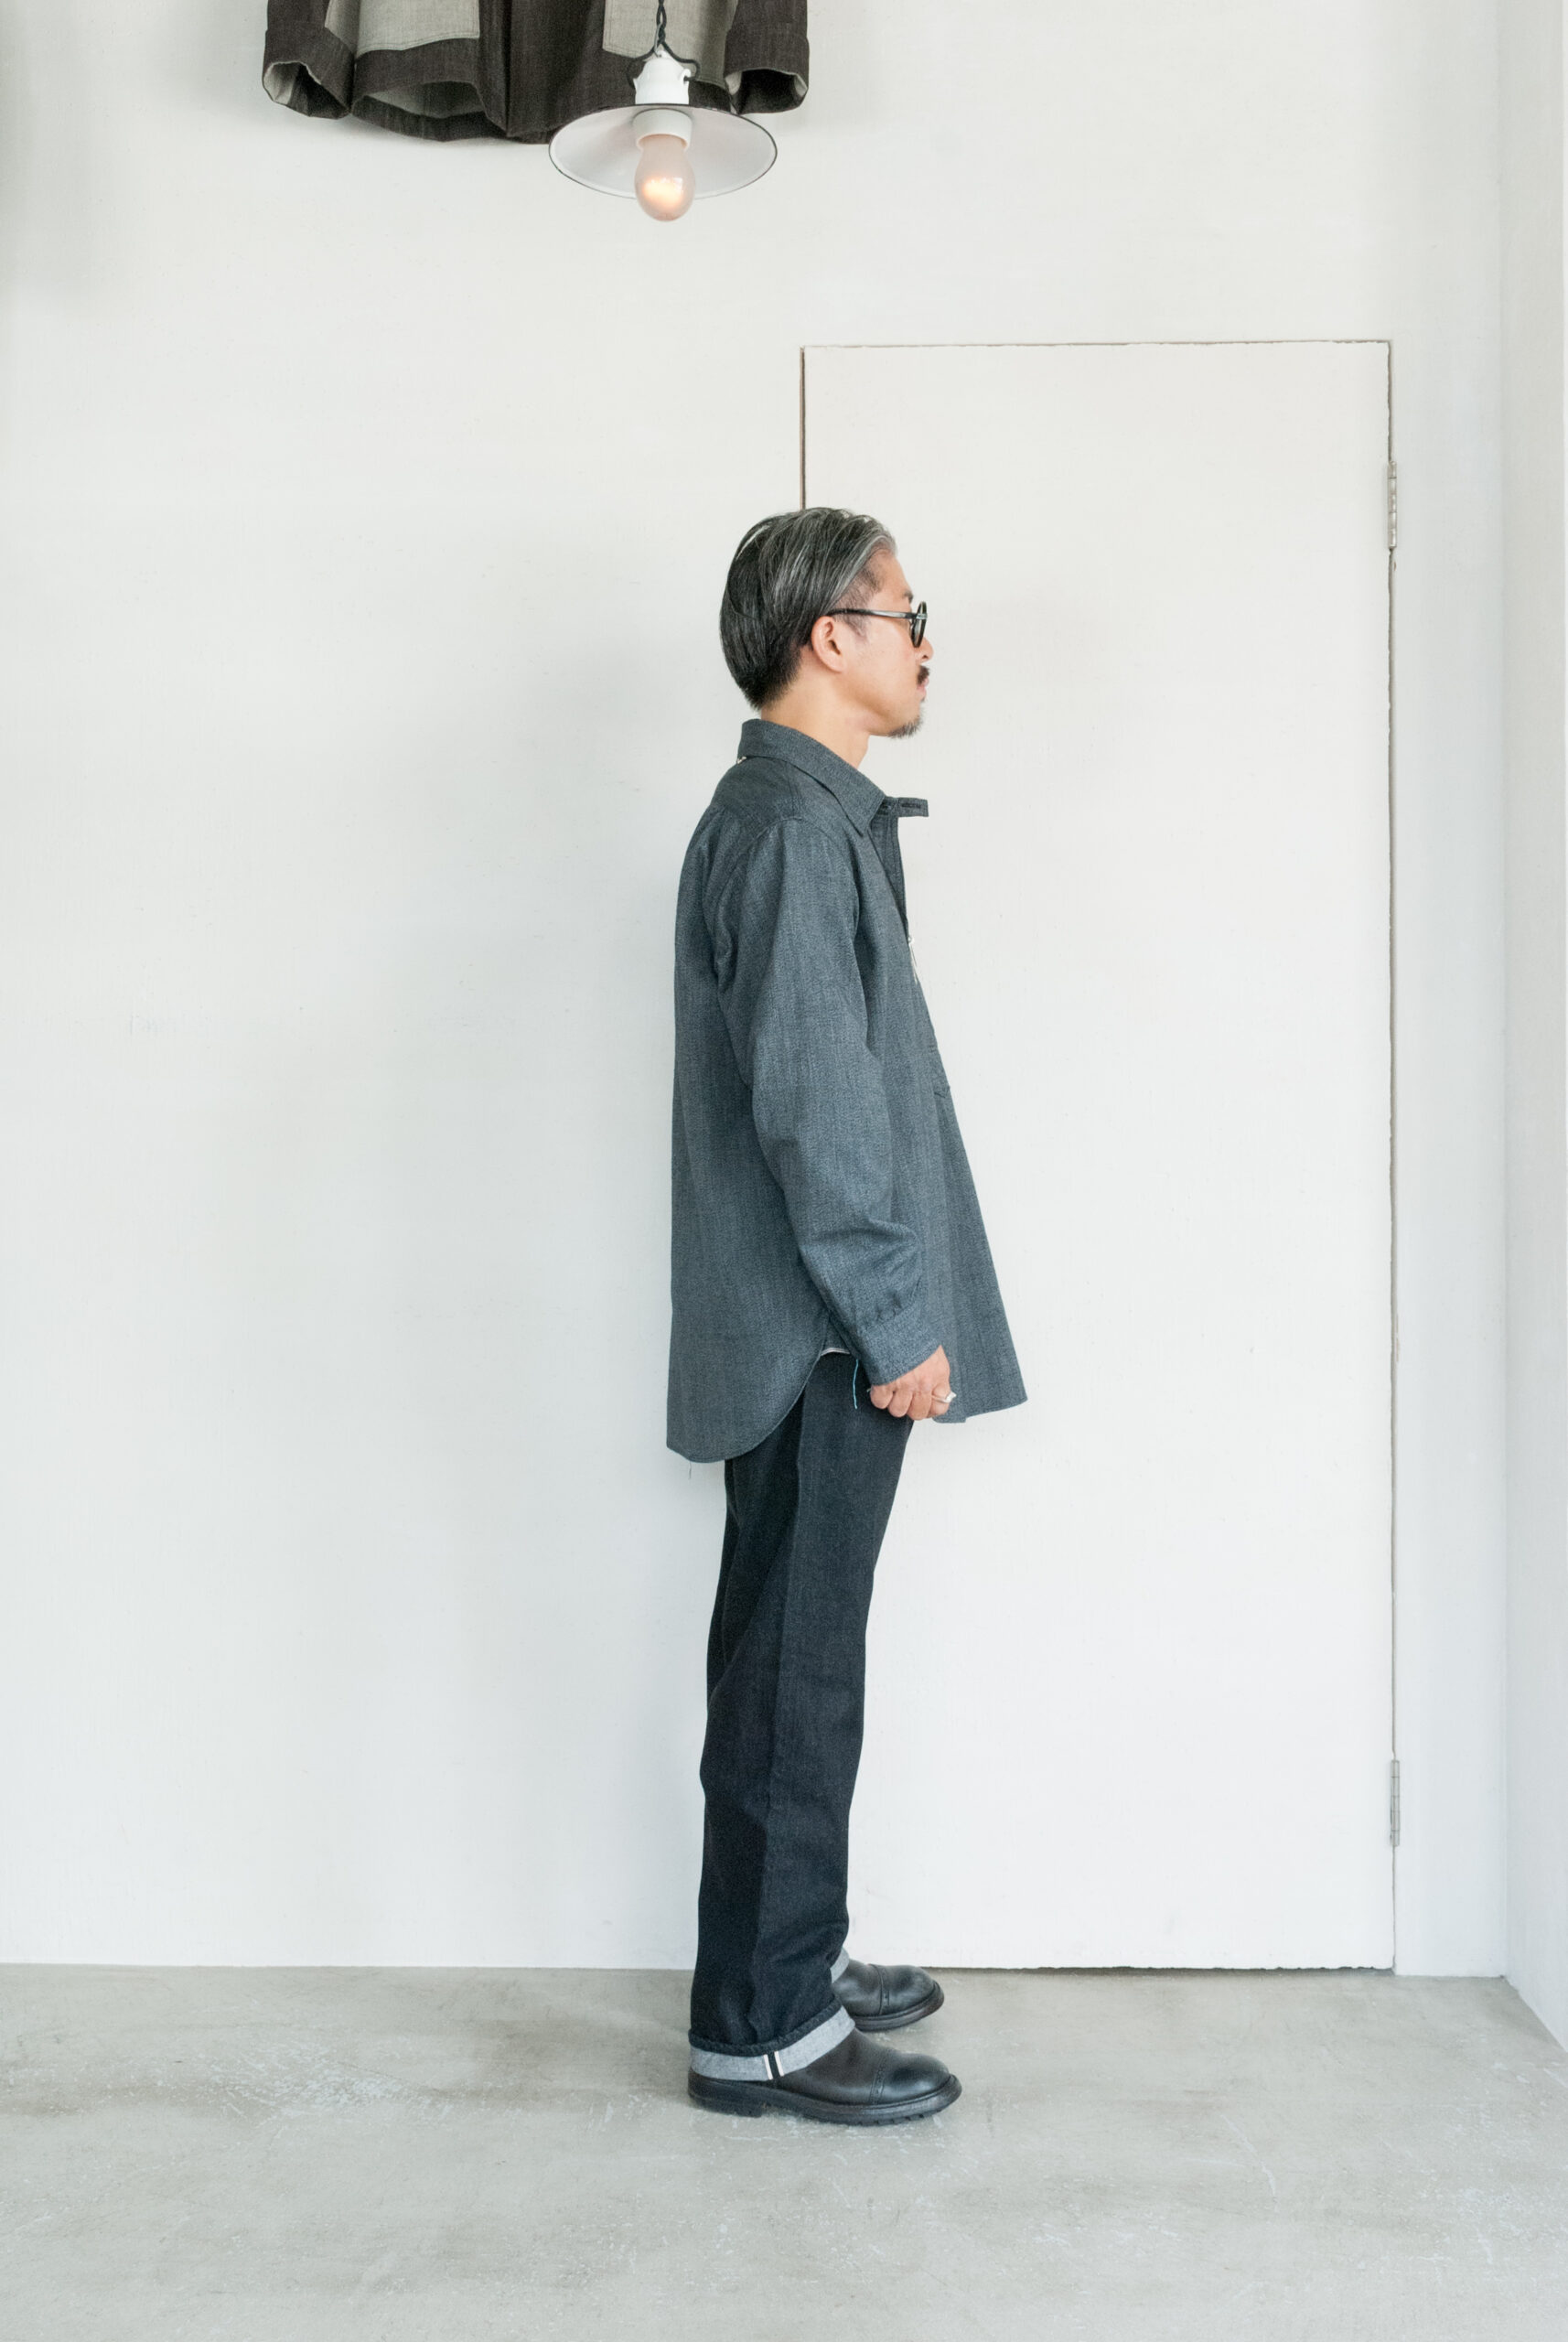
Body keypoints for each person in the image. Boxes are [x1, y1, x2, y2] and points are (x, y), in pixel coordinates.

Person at [668, 508, 1026, 2125]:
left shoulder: (804, 820)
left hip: (812, 1329)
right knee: (794, 1683)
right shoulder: (791, 834)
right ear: (832, 635)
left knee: (791, 1666)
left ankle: (785, 1958)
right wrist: (894, 1317)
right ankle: (764, 2029)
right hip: (818, 1338)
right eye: (904, 612)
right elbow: (817, 1113)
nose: (924, 643)